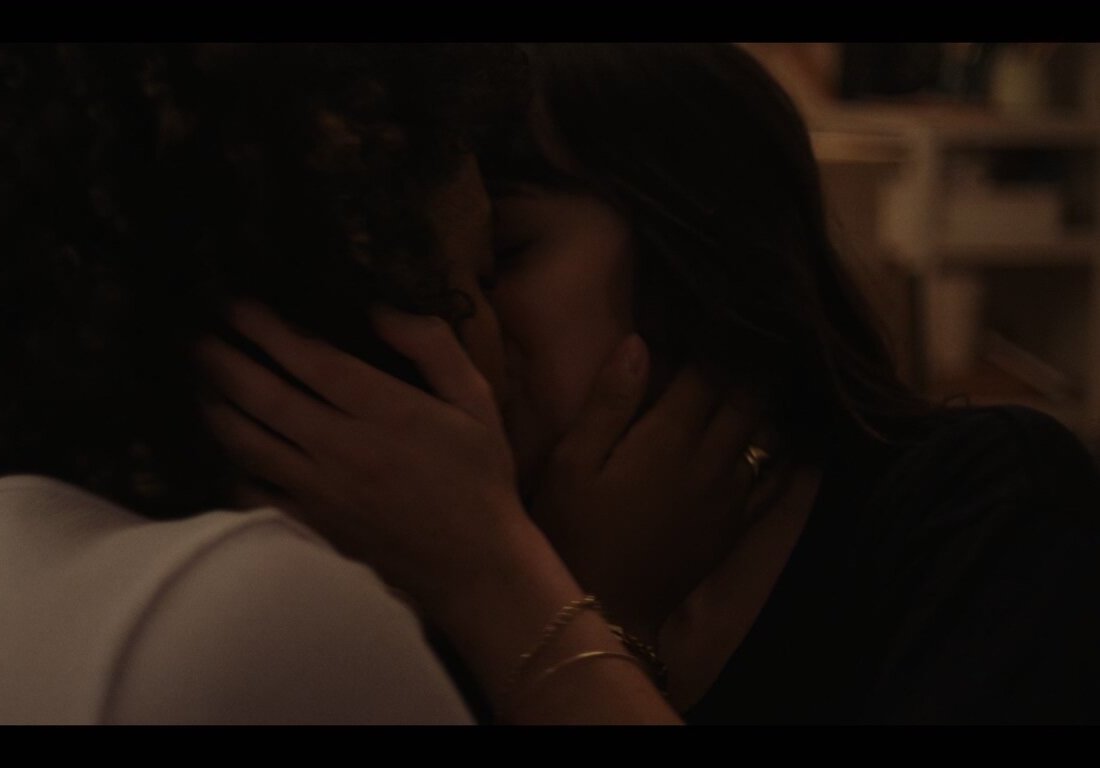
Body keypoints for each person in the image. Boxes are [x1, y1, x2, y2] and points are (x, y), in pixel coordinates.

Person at [204, 43, 1100, 724]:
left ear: (694, 255)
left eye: (502, 255)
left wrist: (520, 598)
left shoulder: (977, 511)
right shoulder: (412, 561)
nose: (454, 319)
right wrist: (586, 592)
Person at [0, 42, 540, 724]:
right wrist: (514, 587)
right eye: (482, 275)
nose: (504, 338)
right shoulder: (263, 617)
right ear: (344, 310)